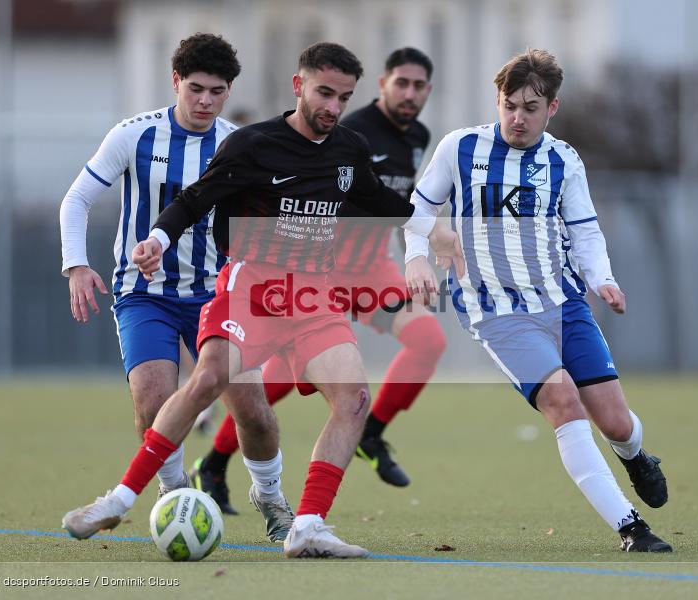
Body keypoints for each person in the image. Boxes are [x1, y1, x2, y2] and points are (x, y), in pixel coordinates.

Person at [62, 42, 463, 559]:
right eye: (324, 93)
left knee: (353, 400)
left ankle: (308, 525)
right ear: (298, 86)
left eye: (343, 98)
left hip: (313, 295)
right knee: (207, 380)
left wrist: (435, 234)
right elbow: (193, 200)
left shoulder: (348, 149)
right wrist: (157, 242)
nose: (333, 108)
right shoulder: (252, 145)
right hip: (250, 288)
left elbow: (382, 202)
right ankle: (117, 500)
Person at [404, 49, 671, 552]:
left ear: (553, 107)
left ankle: (636, 457)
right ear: (497, 101)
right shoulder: (460, 147)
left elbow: (584, 229)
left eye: (530, 107)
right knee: (562, 399)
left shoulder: (563, 159)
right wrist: (416, 256)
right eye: (509, 105)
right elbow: (420, 208)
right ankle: (631, 527)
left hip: (563, 302)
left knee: (616, 423)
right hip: (496, 310)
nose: (517, 118)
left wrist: (602, 279)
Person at [59, 33, 294, 544]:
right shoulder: (133, 136)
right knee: (152, 400)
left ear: (229, 90)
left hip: (219, 293)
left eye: (217, 91)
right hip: (145, 296)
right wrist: (76, 265)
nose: (205, 101)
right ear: (175, 83)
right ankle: (174, 496)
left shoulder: (240, 145)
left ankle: (271, 497)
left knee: (252, 410)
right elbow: (76, 201)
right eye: (195, 89)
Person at [190, 48, 444, 507]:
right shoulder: (351, 131)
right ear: (382, 84)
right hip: (321, 271)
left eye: (419, 85)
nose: (410, 94)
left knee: (428, 340)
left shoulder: (418, 137)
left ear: (428, 90)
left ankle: (372, 433)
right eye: (400, 83)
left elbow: (391, 205)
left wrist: (420, 246)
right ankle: (215, 461)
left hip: (372, 270)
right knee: (278, 382)